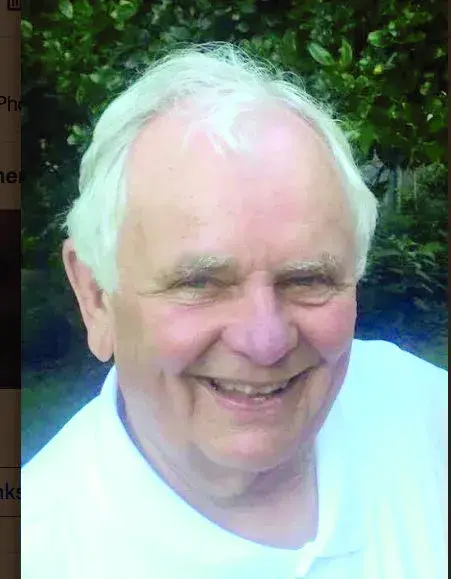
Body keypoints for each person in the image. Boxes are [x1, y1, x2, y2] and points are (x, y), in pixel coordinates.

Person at [21, 43, 447, 578]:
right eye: (199, 283)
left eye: (308, 279)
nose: (264, 341)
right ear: (96, 297)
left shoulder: (425, 414)